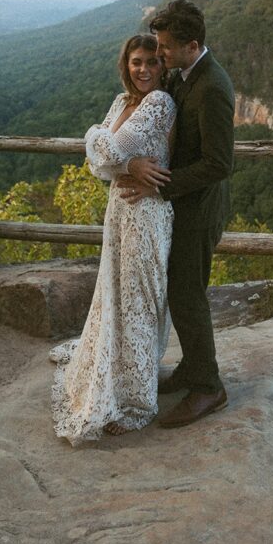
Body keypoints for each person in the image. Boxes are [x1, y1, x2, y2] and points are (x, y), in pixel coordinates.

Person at [50, 33, 176, 446]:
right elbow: (99, 166)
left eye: (153, 62)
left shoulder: (160, 103)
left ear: (164, 67)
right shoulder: (122, 102)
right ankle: (120, 380)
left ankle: (138, 404)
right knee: (116, 297)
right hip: (119, 211)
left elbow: (106, 149)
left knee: (139, 301)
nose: (144, 69)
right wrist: (124, 162)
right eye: (137, 61)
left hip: (146, 213)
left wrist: (101, 144)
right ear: (126, 63)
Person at [120, 0, 235, 428]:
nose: (159, 54)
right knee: (180, 292)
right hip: (184, 207)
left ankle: (209, 388)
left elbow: (220, 163)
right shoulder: (187, 74)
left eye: (165, 48)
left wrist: (159, 183)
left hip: (199, 211)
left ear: (191, 44)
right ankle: (193, 368)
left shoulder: (212, 87)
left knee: (188, 295)